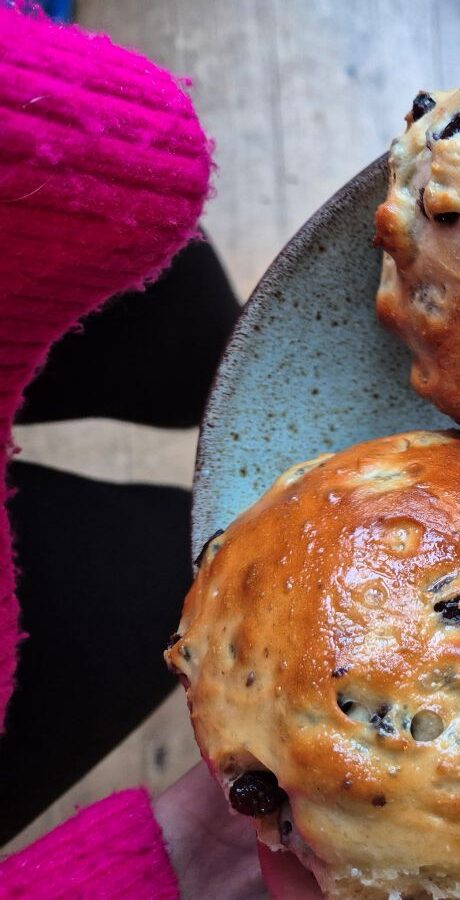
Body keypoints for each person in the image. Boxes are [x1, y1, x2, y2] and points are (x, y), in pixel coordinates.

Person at [0, 6, 313, 896]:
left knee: (200, 347)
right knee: (163, 574)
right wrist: (174, 856)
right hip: (62, 157)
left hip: (51, 177)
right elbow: (149, 144)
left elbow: (147, 151)